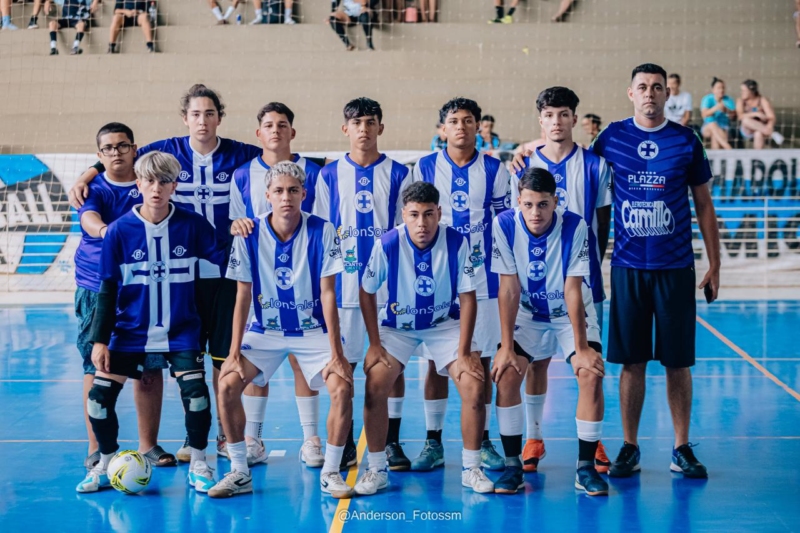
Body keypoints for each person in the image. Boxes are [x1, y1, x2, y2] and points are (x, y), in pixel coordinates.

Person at [68, 84, 265, 463]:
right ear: (184, 118)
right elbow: (120, 158)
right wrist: (87, 173)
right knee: (138, 366)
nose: (202, 121)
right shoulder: (166, 151)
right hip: (167, 278)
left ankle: (227, 440)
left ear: (219, 117)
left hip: (214, 270)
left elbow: (275, 158)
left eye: (210, 113)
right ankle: (102, 453)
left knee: (223, 360)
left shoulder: (242, 154)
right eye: (195, 114)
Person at [591, 63, 720, 479]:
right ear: (630, 93)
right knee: (632, 362)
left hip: (676, 267)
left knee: (677, 362)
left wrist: (715, 262)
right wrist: (532, 147)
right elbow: (573, 168)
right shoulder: (611, 137)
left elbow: (703, 204)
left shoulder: (686, 140)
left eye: (657, 88)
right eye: (642, 87)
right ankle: (630, 446)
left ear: (669, 95)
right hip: (628, 267)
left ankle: (681, 447)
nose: (650, 94)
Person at [76, 151, 221, 493]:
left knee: (197, 395)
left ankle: (200, 462)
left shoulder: (193, 224)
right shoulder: (119, 231)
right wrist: (100, 340)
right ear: (138, 183)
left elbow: (224, 269)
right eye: (150, 181)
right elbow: (107, 289)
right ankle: (106, 461)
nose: (157, 188)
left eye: (165, 181)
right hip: (128, 333)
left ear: (175, 185)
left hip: (182, 331)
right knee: (97, 399)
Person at [208, 161, 354, 499]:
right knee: (227, 384)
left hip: (313, 331)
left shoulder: (323, 229)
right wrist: (232, 354)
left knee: (343, 388)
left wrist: (337, 354)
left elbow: (328, 293)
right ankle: (240, 472)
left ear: (304, 194)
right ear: (267, 196)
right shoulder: (249, 233)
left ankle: (330, 471)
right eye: (278, 191)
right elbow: (242, 295)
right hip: (264, 331)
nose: (285, 197)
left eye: (292, 190)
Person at [353, 181, 494, 496]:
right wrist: (374, 343)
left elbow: (468, 298)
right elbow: (366, 291)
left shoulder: (457, 242)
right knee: (375, 385)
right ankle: (376, 469)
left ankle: (472, 468)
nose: (422, 223)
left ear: (439, 213)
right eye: (414, 215)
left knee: (474, 382)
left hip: (444, 325)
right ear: (403, 214)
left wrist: (465, 350)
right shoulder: (388, 244)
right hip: (397, 328)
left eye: (429, 214)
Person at [508, 87, 612, 475]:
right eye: (549, 115)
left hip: (579, 282)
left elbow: (602, 221)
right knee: (536, 363)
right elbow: (515, 221)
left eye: (564, 114)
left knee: (590, 362)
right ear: (540, 119)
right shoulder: (520, 166)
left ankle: (593, 439)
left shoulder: (596, 166)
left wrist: (585, 270)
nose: (556, 121)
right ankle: (534, 436)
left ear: (574, 118)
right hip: (533, 286)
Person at [311, 97, 413, 470]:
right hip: (342, 287)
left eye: (371, 122)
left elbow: (408, 230)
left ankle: (393, 441)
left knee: (392, 366)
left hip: (388, 290)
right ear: (345, 129)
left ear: (381, 128)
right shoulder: (328, 175)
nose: (364, 129)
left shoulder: (401, 174)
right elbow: (320, 231)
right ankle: (349, 439)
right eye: (356, 123)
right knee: (346, 366)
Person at [492, 167, 607, 496]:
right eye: (528, 205)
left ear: (556, 201)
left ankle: (585, 467)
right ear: (518, 201)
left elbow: (573, 289)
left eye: (543, 204)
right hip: (527, 313)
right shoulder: (504, 225)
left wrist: (582, 348)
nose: (535, 213)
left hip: (568, 313)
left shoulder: (576, 225)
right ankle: (513, 465)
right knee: (508, 372)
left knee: (590, 373)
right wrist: (504, 347)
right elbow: (508, 288)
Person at [410, 97, 510, 473]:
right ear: (442, 129)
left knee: (479, 360)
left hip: (482, 281)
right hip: (434, 280)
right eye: (454, 121)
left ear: (479, 126)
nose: (462, 127)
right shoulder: (423, 167)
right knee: (435, 364)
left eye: (469, 120)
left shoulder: (495, 170)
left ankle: (482, 442)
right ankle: (433, 442)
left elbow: (504, 225)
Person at [228, 102, 326, 468]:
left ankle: (311, 438)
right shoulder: (242, 175)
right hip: (261, 283)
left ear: (292, 132)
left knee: (305, 359)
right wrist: (236, 227)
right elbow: (236, 221)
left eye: (282, 124)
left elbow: (323, 222)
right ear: (258, 134)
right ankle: (252, 437)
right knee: (259, 358)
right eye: (268, 125)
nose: (275, 131)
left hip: (303, 279)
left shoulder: (314, 173)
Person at [75, 123, 177, 471]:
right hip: (97, 286)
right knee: (96, 363)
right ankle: (95, 446)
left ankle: (148, 445)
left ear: (135, 148)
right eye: (108, 149)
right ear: (99, 154)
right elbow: (89, 219)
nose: (116, 152)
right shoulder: (95, 188)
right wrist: (109, 231)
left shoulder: (150, 180)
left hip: (146, 288)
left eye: (123, 146)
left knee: (150, 367)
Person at [736, 79, 784, 149]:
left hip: (761, 128)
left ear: (751, 91)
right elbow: (740, 116)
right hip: (747, 130)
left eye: (744, 91)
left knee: (758, 133)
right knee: (745, 120)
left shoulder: (762, 100)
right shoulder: (740, 101)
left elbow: (771, 117)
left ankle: (757, 156)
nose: (741, 93)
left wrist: (770, 126)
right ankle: (772, 134)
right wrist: (757, 114)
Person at [700, 77, 736, 150]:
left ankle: (719, 155)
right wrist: (716, 107)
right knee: (712, 122)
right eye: (718, 88)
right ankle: (728, 148)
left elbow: (734, 117)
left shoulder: (728, 100)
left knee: (715, 136)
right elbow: (704, 114)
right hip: (707, 128)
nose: (721, 90)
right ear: (713, 89)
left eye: (723, 88)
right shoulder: (707, 99)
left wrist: (726, 110)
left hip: (724, 127)